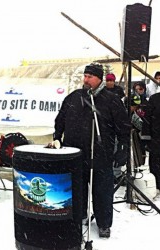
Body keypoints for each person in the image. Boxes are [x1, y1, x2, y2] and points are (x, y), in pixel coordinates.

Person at [53, 63, 130, 238]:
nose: (86, 79)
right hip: (75, 153)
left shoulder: (110, 99)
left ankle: (103, 223)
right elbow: (60, 120)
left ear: (99, 79)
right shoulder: (73, 97)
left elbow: (123, 126)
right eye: (85, 76)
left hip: (101, 154)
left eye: (90, 77)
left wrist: (123, 148)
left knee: (102, 191)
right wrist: (57, 137)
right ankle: (80, 215)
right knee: (77, 189)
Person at [141, 92, 160, 193]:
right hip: (156, 137)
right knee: (156, 162)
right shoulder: (154, 99)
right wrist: (146, 137)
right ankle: (156, 185)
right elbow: (147, 118)